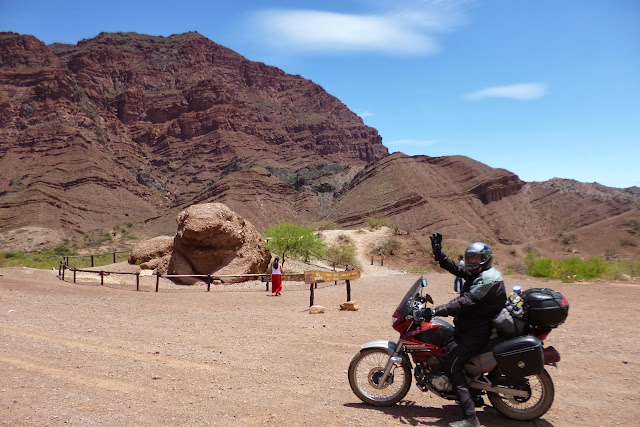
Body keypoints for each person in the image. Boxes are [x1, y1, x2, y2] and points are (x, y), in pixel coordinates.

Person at [429, 233, 506, 427]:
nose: (472, 262)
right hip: (471, 328)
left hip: (478, 331)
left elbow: (467, 301)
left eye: (476, 259)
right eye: (470, 258)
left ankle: (471, 418)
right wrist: (439, 254)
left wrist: (440, 309)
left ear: (485, 259)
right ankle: (473, 394)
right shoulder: (479, 273)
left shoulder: (487, 279)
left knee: (453, 365)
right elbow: (456, 268)